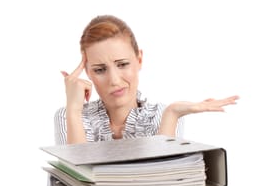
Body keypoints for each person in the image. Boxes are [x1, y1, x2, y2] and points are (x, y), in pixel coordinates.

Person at [54, 15, 239, 145]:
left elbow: (163, 185)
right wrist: (73, 109)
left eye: (122, 64)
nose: (114, 80)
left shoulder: (161, 115)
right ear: (87, 72)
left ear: (139, 60)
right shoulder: (70, 116)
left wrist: (172, 114)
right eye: (100, 70)